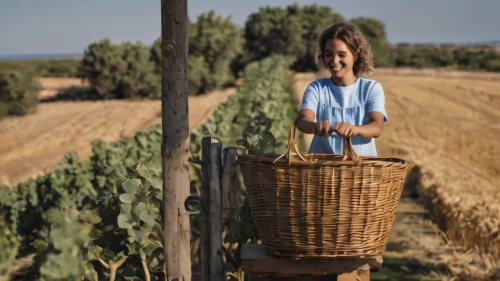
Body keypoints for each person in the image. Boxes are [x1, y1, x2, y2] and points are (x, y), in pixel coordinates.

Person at [295, 23, 387, 157]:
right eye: (329, 54)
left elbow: (377, 127)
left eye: (341, 54)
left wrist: (354, 129)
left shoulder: (371, 89)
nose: (334, 60)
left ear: (355, 55)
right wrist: (314, 127)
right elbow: (302, 120)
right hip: (321, 172)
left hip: (362, 171)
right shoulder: (317, 87)